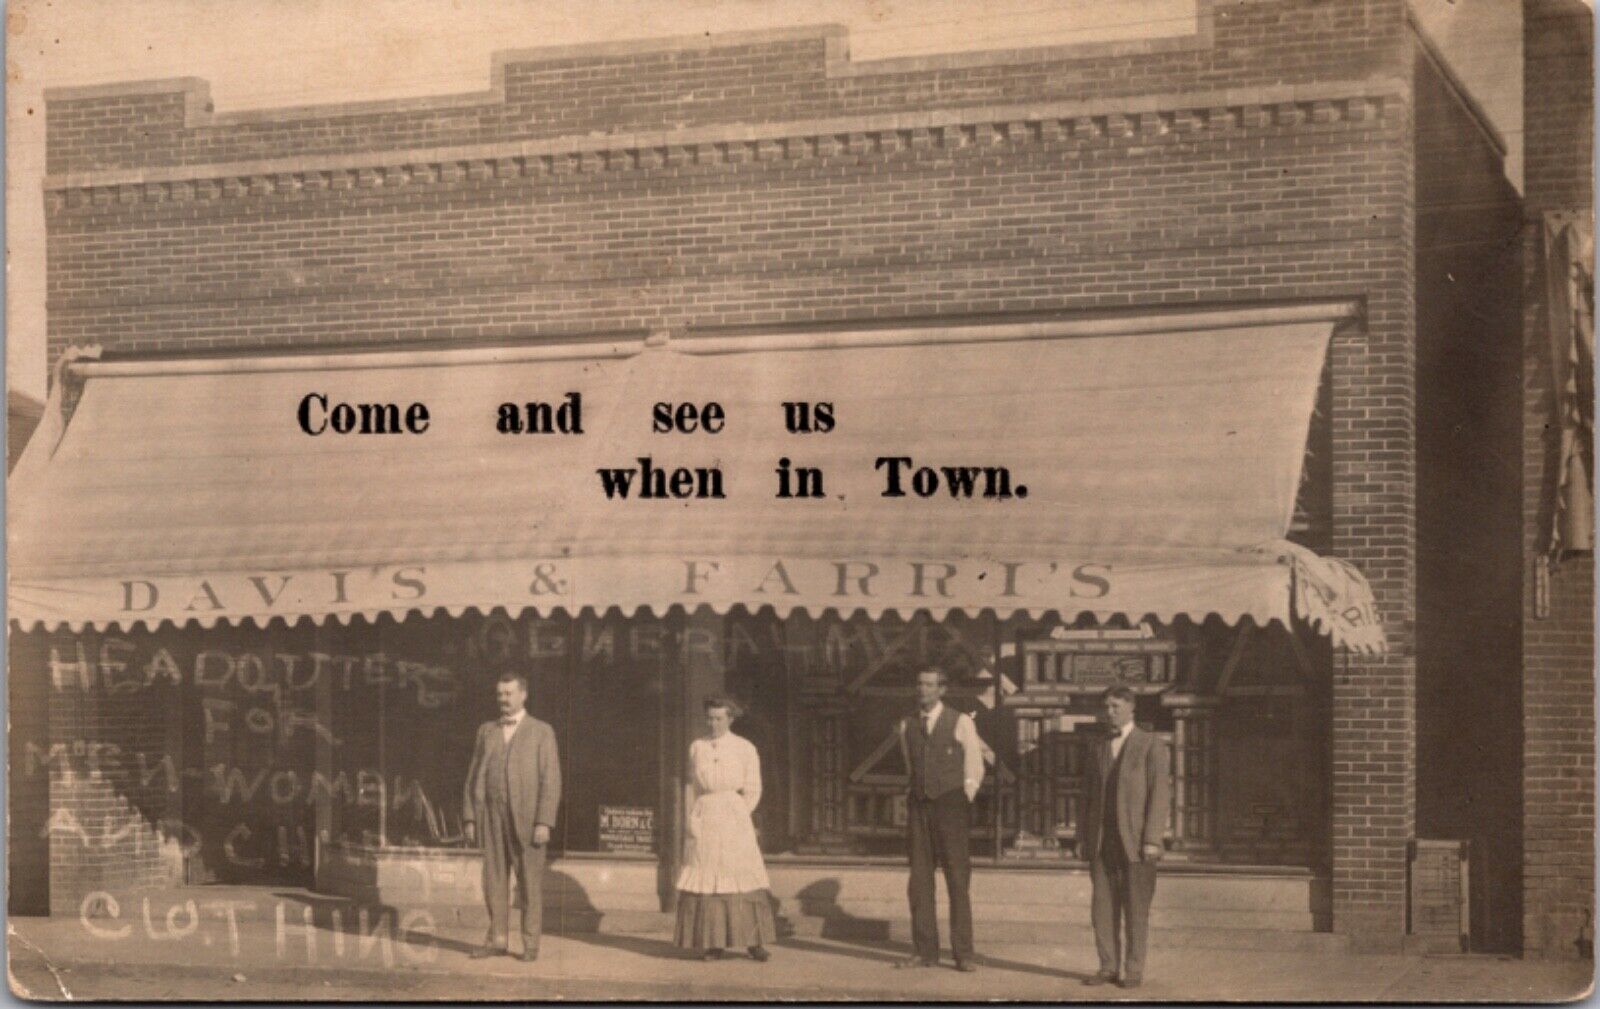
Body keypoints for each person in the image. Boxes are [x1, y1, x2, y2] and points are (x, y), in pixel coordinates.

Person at [462, 670, 562, 963]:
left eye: (508, 693)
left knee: (529, 884)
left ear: (523, 695)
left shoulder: (542, 731)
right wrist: (470, 817)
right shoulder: (487, 731)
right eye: (499, 694)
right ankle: (497, 940)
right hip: (491, 817)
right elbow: (472, 776)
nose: (502, 699)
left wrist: (544, 821)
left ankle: (530, 944)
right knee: (493, 881)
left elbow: (551, 779)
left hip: (528, 821)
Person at [674, 695, 778, 961]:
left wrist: (739, 814)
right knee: (709, 877)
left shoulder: (745, 748)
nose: (713, 724)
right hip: (705, 816)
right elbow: (693, 787)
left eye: (719, 718)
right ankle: (714, 943)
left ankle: (754, 942)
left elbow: (753, 788)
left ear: (730, 718)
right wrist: (693, 819)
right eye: (709, 718)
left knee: (740, 876)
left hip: (734, 817)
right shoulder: (697, 747)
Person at [895, 667, 985, 972]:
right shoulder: (906, 724)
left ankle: (964, 954)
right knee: (919, 883)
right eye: (919, 684)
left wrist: (963, 796)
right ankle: (925, 952)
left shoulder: (960, 721)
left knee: (957, 881)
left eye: (930, 685)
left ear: (942, 690)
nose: (923, 690)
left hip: (951, 807)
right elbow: (910, 764)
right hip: (919, 808)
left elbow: (974, 763)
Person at [1081, 685, 1170, 990]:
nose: (1110, 712)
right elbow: (1088, 796)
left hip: (1135, 842)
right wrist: (1085, 837)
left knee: (1135, 909)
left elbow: (1160, 794)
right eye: (1106, 707)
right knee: (1102, 909)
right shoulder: (1098, 746)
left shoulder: (1150, 744)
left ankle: (1133, 970)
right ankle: (1107, 967)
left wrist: (1153, 839)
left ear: (1132, 707)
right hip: (1103, 841)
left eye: (1116, 706)